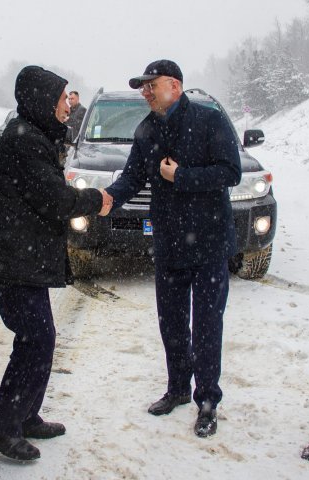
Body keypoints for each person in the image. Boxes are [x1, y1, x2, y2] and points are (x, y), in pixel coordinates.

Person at [101, 59, 241, 438]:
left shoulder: (210, 120)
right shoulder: (146, 130)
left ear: (175, 86)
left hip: (209, 243)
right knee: (172, 323)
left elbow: (231, 172)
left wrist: (180, 176)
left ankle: (207, 401)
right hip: (169, 242)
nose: (145, 92)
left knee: (208, 325)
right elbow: (131, 177)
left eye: (152, 85)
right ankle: (178, 389)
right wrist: (107, 199)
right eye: (142, 87)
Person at [0, 66, 108, 461]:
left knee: (40, 338)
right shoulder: (24, 142)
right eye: (63, 98)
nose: (69, 105)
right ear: (41, 99)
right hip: (14, 261)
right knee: (36, 341)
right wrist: (95, 200)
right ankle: (1, 426)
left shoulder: (31, 134)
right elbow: (55, 199)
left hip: (21, 259)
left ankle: (26, 414)